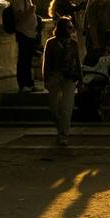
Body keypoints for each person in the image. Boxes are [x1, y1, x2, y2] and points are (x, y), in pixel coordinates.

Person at [41, 16, 82, 146]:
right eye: (69, 27)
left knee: (66, 107)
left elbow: (78, 62)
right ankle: (61, 128)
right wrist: (45, 78)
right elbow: (46, 62)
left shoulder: (74, 43)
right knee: (53, 108)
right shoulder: (51, 43)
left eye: (72, 27)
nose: (72, 29)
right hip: (55, 76)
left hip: (70, 77)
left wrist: (81, 80)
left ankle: (63, 133)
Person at [3, 0, 39, 92]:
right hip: (23, 33)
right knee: (23, 60)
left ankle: (29, 83)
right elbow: (18, 17)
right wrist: (30, 12)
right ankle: (23, 85)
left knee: (28, 61)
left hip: (30, 33)